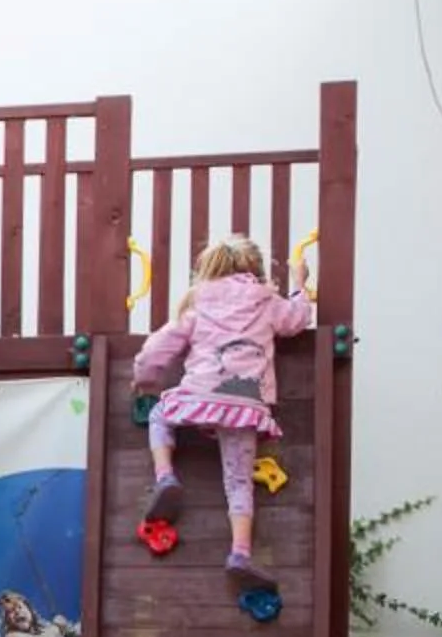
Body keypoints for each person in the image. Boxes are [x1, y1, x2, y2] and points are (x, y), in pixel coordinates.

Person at [132, 235, 314, 594]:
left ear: (208, 269)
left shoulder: (197, 304)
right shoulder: (266, 301)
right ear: (254, 270)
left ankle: (166, 476)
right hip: (245, 404)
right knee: (239, 480)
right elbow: (296, 321)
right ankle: (240, 553)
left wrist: (144, 380)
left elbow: (157, 350)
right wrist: (300, 284)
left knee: (159, 416)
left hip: (200, 395)